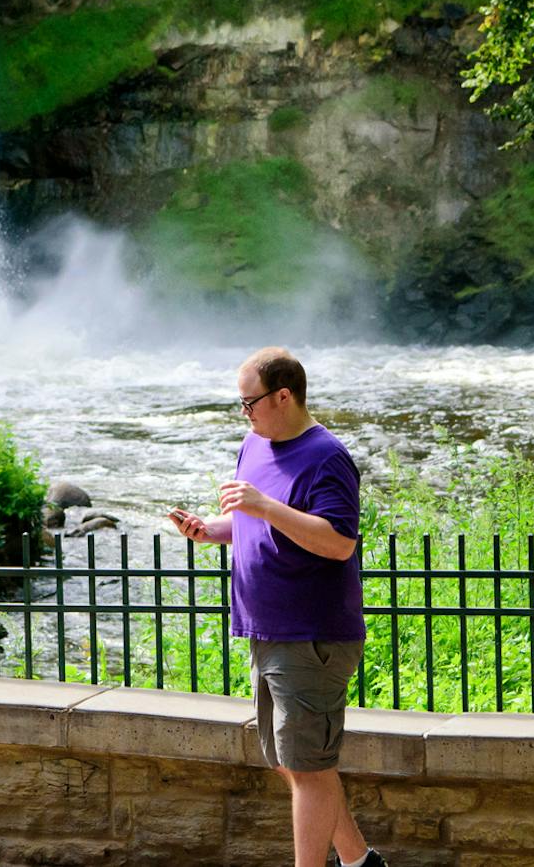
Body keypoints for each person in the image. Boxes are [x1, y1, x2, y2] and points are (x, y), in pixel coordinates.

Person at [169, 349, 384, 867]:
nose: (244, 413)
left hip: (311, 634)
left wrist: (265, 505)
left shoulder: (327, 456)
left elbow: (339, 542)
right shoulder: (253, 444)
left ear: (283, 396)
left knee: (307, 767)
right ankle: (359, 861)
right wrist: (210, 531)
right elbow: (252, 523)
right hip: (265, 628)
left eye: (249, 402)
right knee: (293, 762)